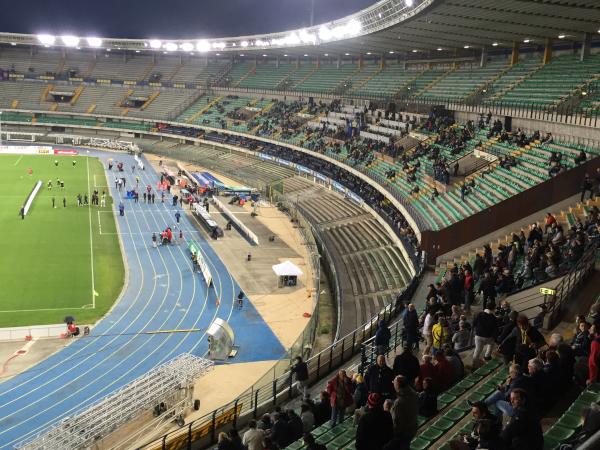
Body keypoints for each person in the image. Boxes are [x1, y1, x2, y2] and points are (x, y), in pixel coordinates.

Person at [391, 375, 418, 449]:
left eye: (394, 383)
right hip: (412, 427)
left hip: (403, 432)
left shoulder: (398, 403)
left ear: (398, 385)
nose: (393, 385)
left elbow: (396, 421)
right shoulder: (414, 394)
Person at [472, 302, 498, 369]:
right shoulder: (493, 318)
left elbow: (474, 323)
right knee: (491, 344)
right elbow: (495, 330)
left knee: (477, 350)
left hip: (478, 336)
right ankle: (487, 356)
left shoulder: (480, 314)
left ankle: (474, 365)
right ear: (493, 308)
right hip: (488, 337)